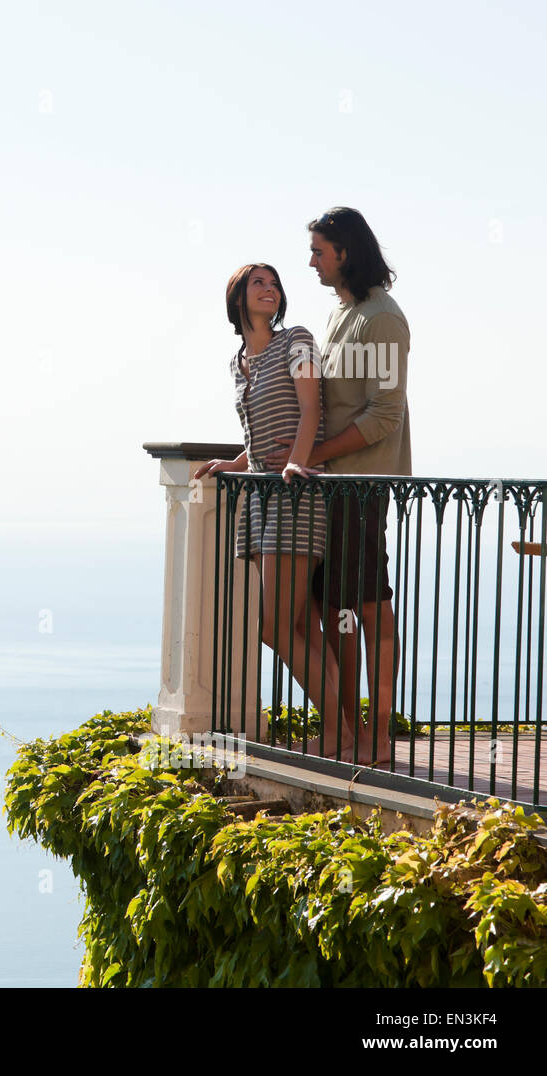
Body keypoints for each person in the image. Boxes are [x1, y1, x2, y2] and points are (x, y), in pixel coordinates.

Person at [266, 208, 410, 766]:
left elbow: (383, 418)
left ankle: (377, 738)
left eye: (319, 252)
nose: (310, 262)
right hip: (330, 490)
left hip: (361, 488)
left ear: (344, 253)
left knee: (370, 607)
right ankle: (345, 731)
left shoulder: (383, 319)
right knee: (337, 610)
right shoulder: (338, 316)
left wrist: (309, 458)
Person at [195, 264, 353, 749]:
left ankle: (338, 731)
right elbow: (260, 434)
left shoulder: (297, 341)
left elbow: (311, 412)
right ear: (237, 298)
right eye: (257, 283)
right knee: (300, 624)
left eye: (274, 283)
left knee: (273, 627)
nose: (270, 289)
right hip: (262, 497)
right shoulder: (238, 360)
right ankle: (342, 729)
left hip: (296, 492)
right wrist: (235, 461)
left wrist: (296, 465)